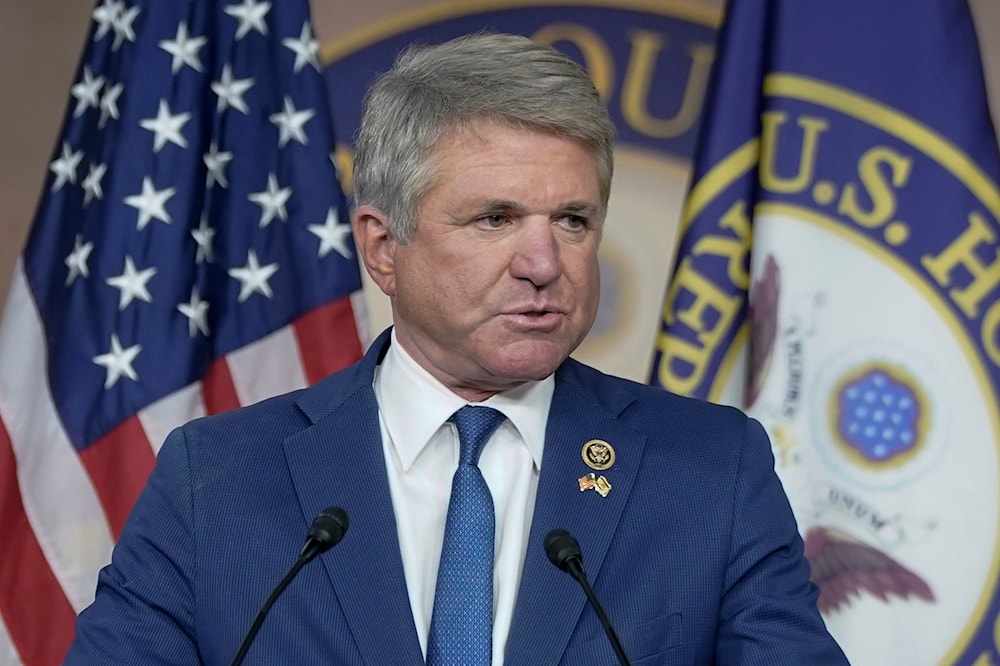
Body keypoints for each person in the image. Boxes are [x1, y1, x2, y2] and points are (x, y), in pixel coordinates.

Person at [64, 33, 848, 665]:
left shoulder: (713, 471)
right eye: (495, 218)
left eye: (573, 220)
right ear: (382, 248)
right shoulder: (220, 479)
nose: (546, 263)